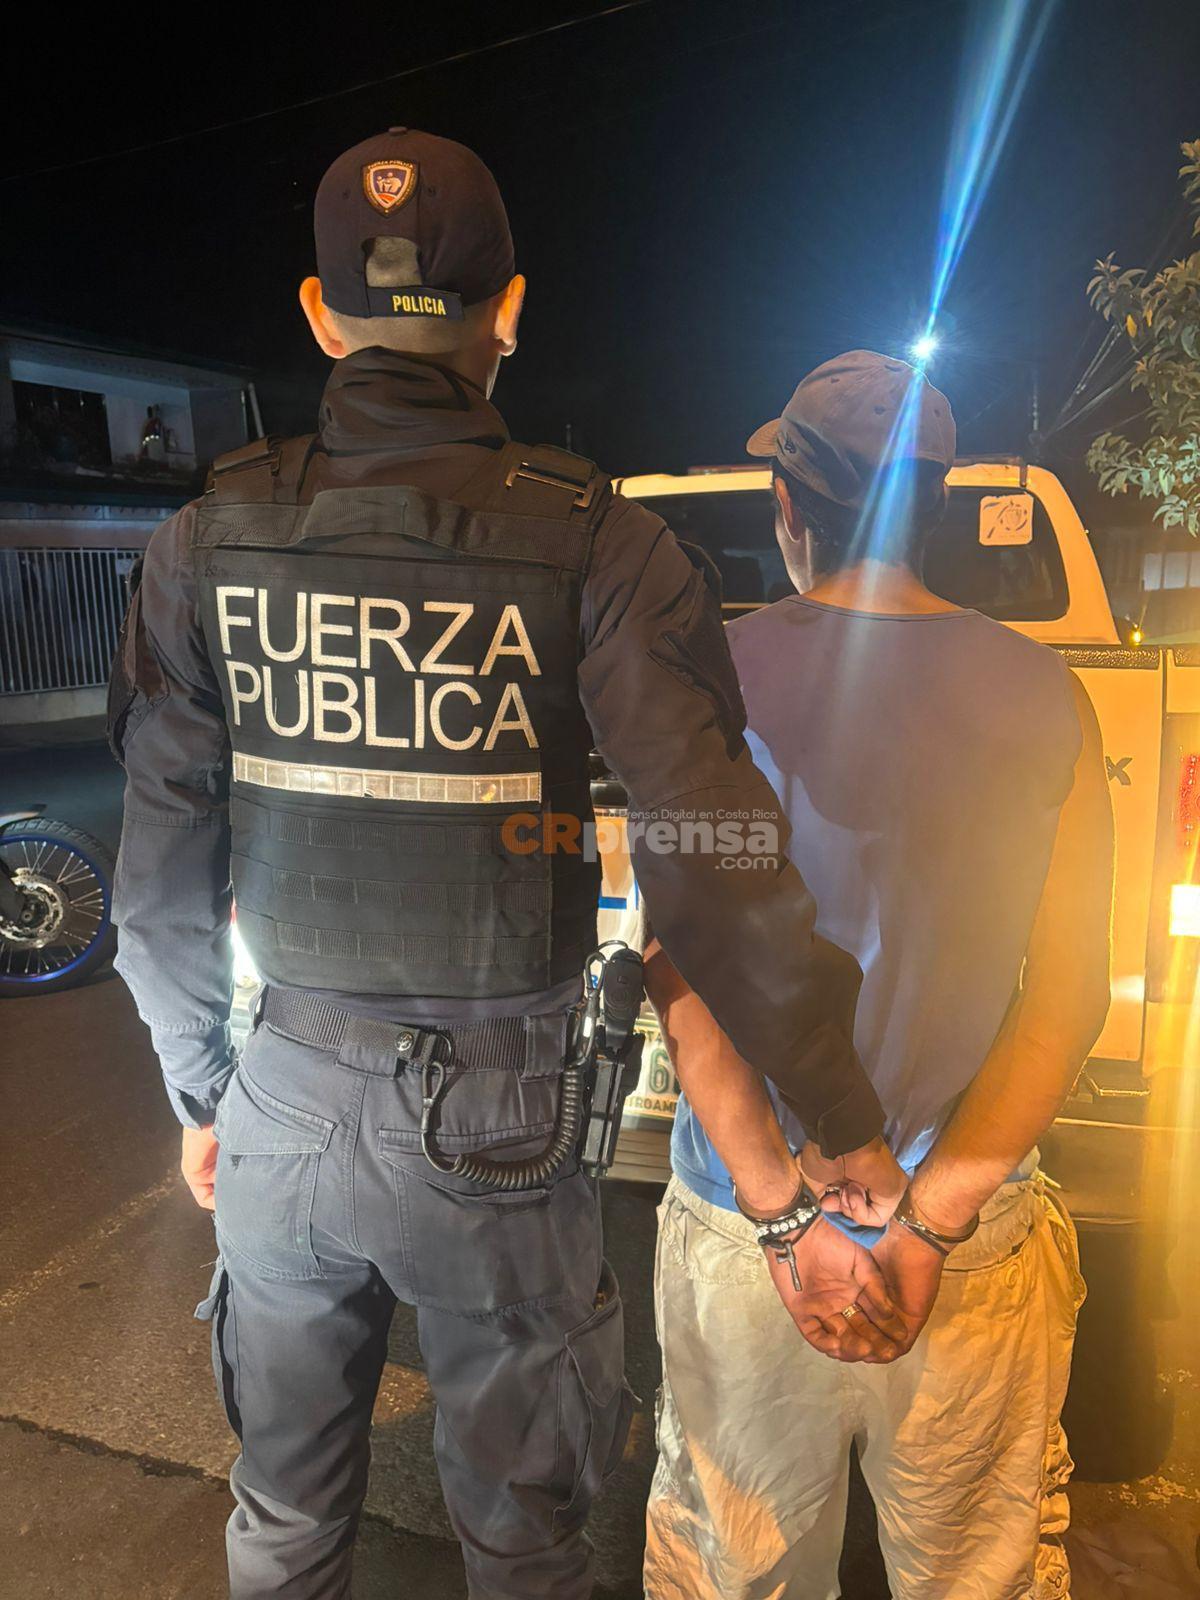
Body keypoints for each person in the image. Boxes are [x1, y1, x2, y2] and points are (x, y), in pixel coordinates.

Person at [107, 135, 905, 1600]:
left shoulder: (202, 542)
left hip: (284, 1090)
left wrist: (209, 1092)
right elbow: (713, 858)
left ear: (319, 314)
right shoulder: (602, 545)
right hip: (504, 1124)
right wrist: (837, 1111)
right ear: (512, 310)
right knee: (524, 1546)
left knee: (280, 1523)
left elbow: (154, 885)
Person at [642, 351, 1114, 1600]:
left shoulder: (711, 681)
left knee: (734, 1573)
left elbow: (684, 970)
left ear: (787, 506)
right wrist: (931, 1214)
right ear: (935, 508)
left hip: (753, 1221)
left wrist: (785, 1216)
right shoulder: (1048, 692)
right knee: (978, 1577)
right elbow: (1073, 992)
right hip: (966, 1226)